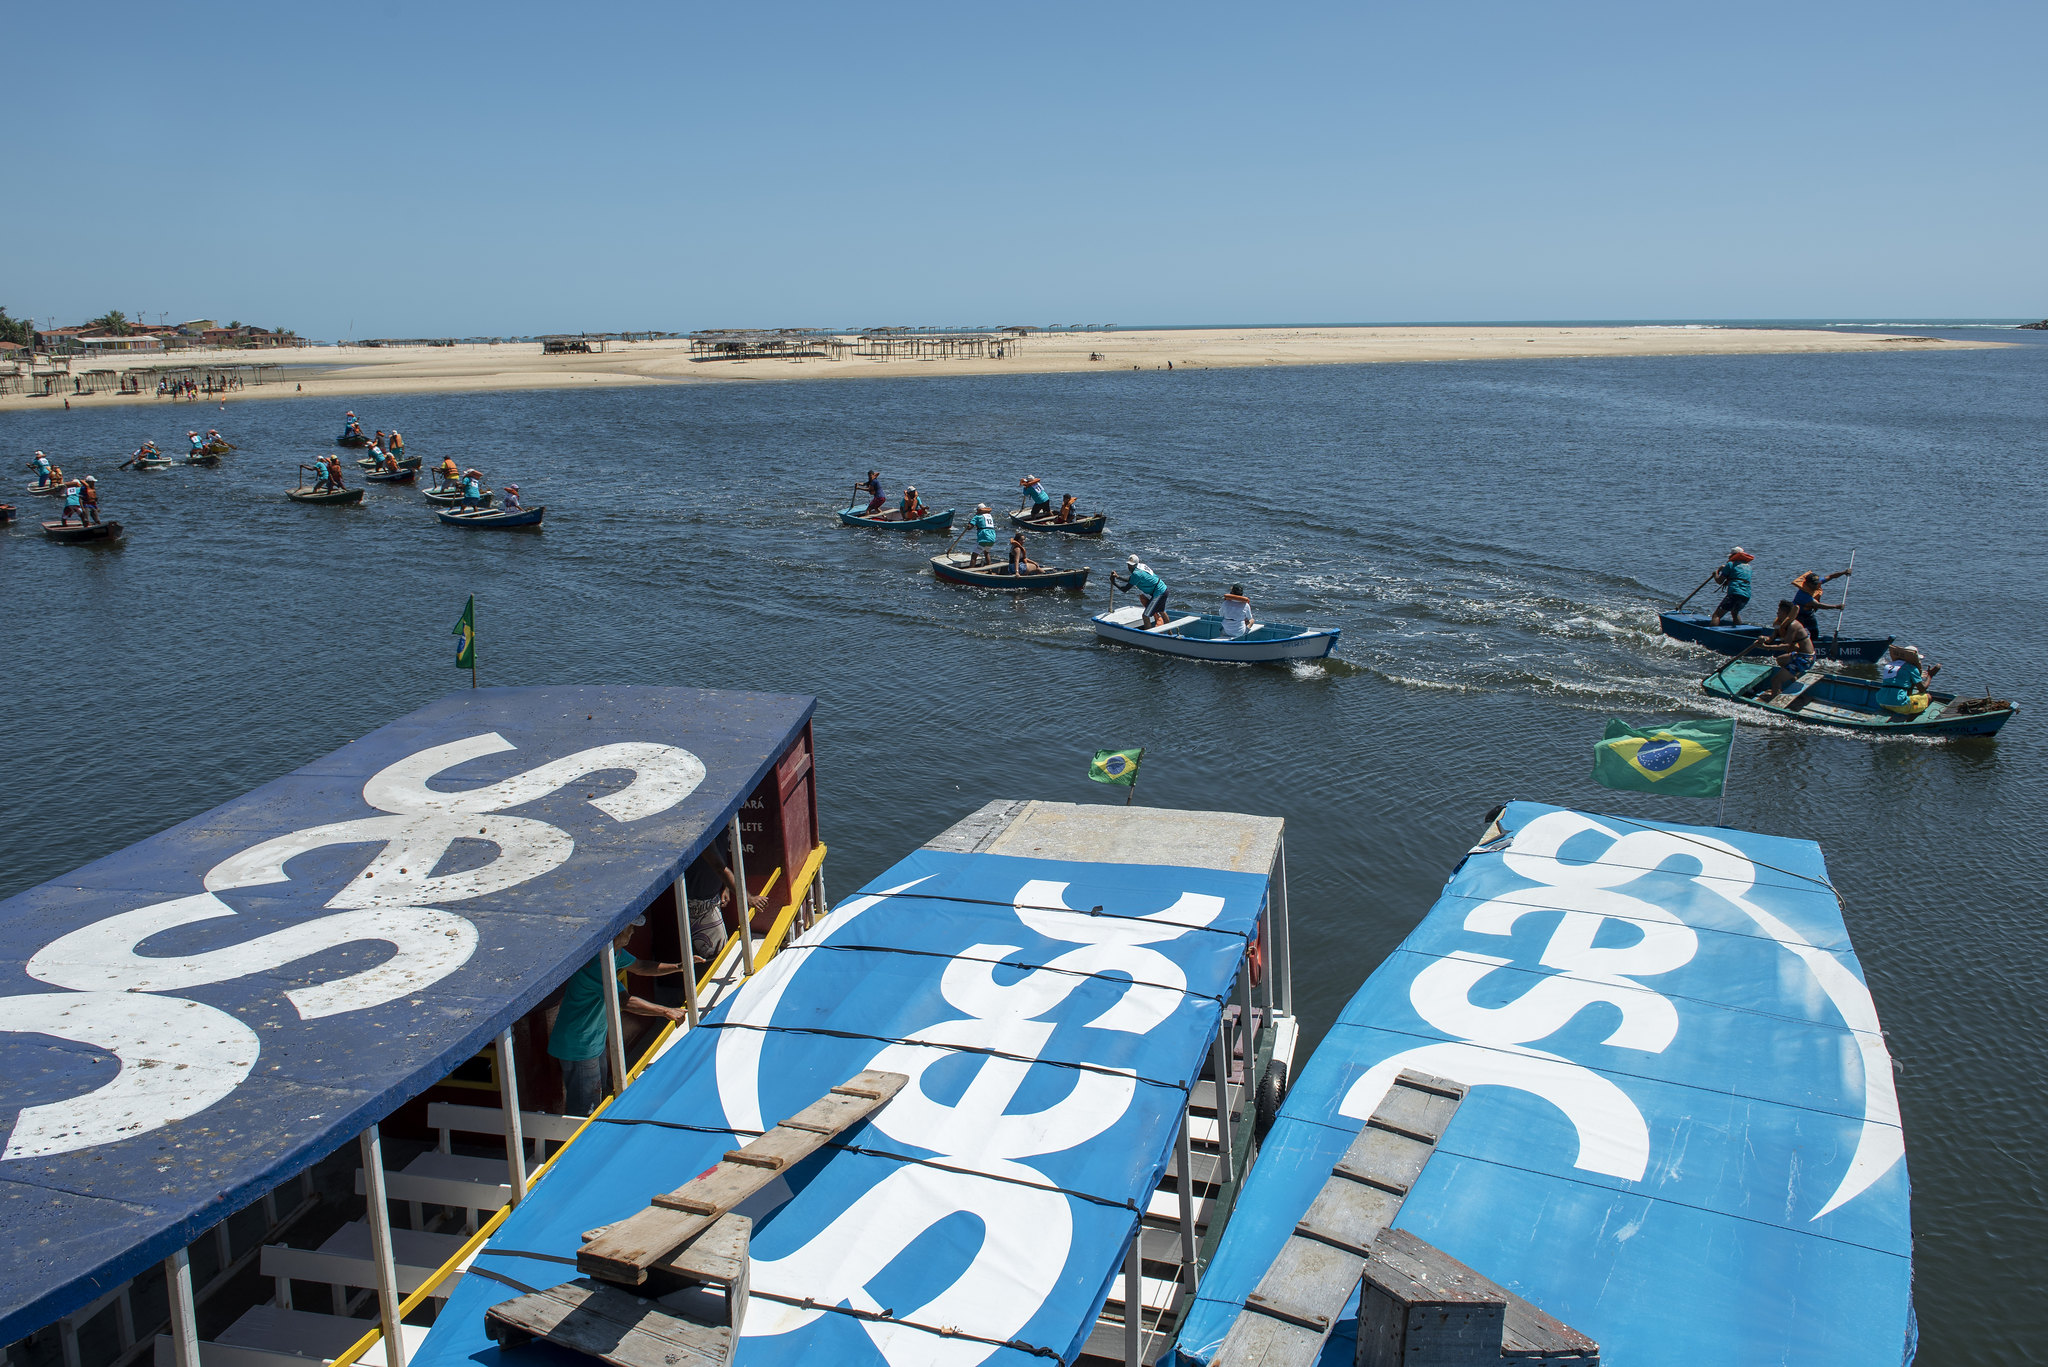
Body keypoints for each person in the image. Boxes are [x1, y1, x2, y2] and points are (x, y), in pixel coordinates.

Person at [547, 919, 692, 1116]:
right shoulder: (597, 964)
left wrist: (678, 966)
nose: (632, 932)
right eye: (629, 927)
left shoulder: (612, 953)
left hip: (592, 1041)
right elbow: (625, 1001)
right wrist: (665, 1011)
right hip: (579, 1046)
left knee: (600, 1095)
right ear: (616, 932)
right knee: (585, 1110)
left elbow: (640, 966)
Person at [680, 842, 770, 969]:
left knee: (715, 953)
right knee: (713, 956)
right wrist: (748, 898)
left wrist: (725, 886)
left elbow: (720, 857)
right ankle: (702, 987)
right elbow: (717, 865)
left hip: (710, 897)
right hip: (699, 904)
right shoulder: (704, 829)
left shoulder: (721, 826)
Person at [1756, 599, 1816, 702]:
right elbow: (1771, 639)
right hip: (1799, 655)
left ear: (1785, 613)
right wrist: (1763, 639)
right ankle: (1793, 680)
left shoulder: (1793, 625)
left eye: (1779, 611)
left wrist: (1767, 648)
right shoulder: (1780, 623)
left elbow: (1787, 646)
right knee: (1781, 660)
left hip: (1806, 659)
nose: (1777, 613)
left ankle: (1773, 700)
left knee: (1775, 680)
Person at [1790, 568, 1851, 649]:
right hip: (1798, 615)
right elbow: (1819, 605)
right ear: (1807, 583)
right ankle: (1796, 647)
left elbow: (1831, 576)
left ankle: (1813, 647)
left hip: (1809, 614)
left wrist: (1844, 572)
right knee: (1797, 633)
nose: (1816, 586)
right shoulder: (1803, 595)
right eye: (1814, 584)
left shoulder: (1817, 583)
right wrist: (1836, 606)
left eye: (1816, 583)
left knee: (1814, 632)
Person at [1875, 645, 1938, 716]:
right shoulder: (1911, 668)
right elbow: (1922, 689)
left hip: (1881, 701)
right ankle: (1910, 719)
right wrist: (1930, 676)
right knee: (1928, 697)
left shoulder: (1889, 665)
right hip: (1899, 704)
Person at [1112, 555, 1171, 627]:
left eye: (1131, 565)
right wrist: (1118, 577)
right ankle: (1169, 633)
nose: (1129, 567)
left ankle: (1149, 636)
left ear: (1136, 564)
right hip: (1163, 588)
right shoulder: (1141, 566)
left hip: (1159, 593)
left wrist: (1114, 582)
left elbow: (1125, 589)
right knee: (1161, 611)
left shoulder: (1137, 573)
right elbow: (1132, 580)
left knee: (1145, 616)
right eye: (1128, 565)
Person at [1706, 547, 1755, 626]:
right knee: (1735, 613)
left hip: (1734, 593)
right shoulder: (1748, 567)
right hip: (1746, 595)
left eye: (1730, 556)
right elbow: (1739, 577)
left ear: (1735, 555)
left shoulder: (1730, 564)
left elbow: (1719, 581)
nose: (1729, 558)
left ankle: (1711, 635)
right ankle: (1739, 632)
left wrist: (1715, 574)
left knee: (1717, 615)